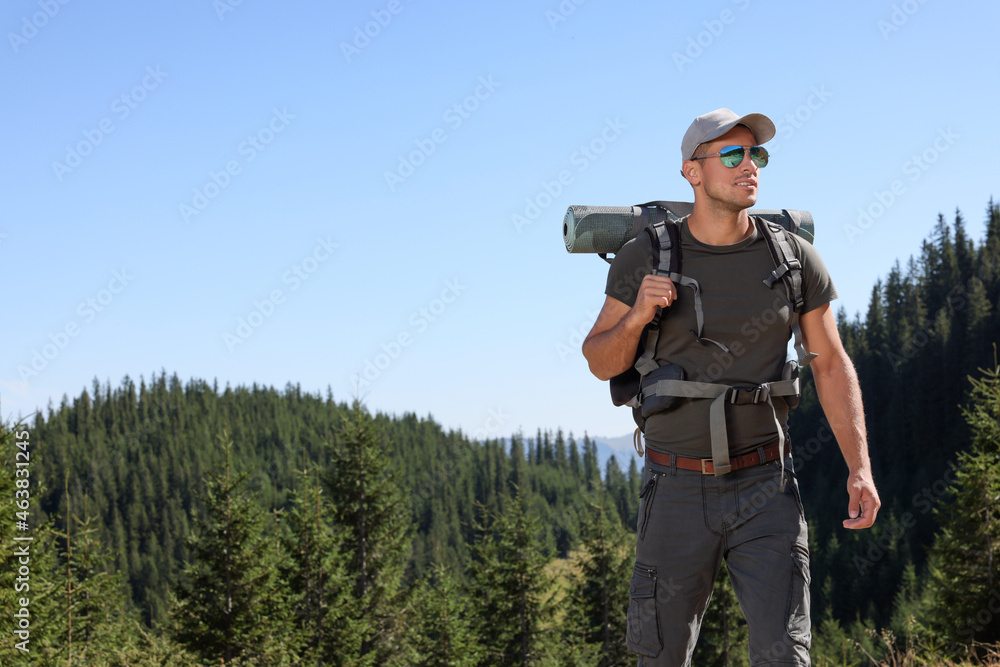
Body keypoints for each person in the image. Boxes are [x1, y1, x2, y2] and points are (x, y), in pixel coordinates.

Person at [581, 108, 881, 666]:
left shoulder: (793, 259)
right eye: (732, 155)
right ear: (692, 173)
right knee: (661, 656)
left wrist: (858, 466)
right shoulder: (646, 255)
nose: (750, 166)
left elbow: (832, 364)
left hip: (768, 486)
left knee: (785, 655)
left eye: (757, 155)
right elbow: (600, 359)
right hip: (674, 487)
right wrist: (637, 315)